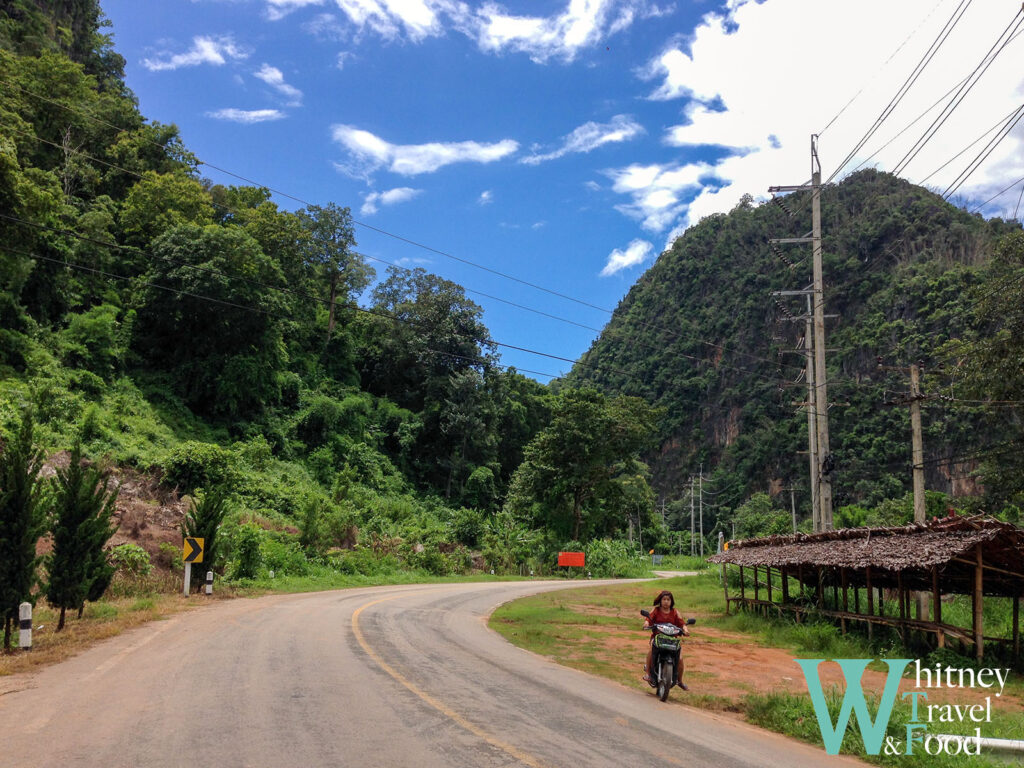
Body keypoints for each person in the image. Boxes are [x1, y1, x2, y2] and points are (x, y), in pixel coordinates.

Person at [643, 589, 689, 690]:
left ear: (671, 601)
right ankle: (648, 674)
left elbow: (682, 623)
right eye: (664, 599)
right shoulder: (656, 610)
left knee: (680, 659)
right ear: (660, 600)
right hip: (657, 638)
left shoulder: (675, 612)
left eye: (668, 599)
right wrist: (646, 624)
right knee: (651, 650)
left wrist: (685, 630)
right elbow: (648, 619)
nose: (666, 602)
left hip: (672, 640)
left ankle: (680, 681)